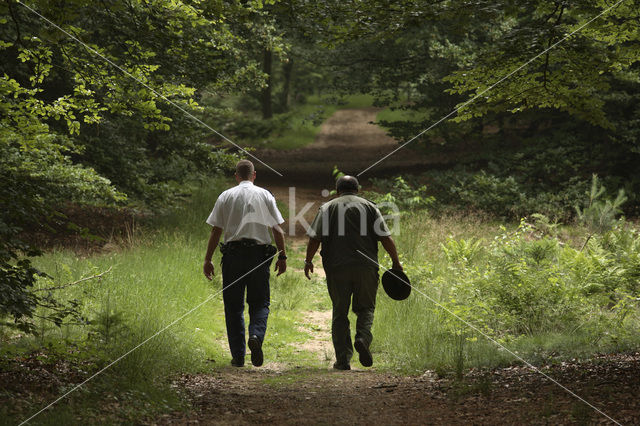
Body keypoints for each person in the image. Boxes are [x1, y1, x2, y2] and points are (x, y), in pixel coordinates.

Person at [304, 175, 402, 370]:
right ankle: (363, 338)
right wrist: (396, 263)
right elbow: (386, 238)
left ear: (337, 190)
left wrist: (308, 260)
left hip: (337, 267)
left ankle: (343, 360)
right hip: (366, 267)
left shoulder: (328, 208)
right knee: (366, 308)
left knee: (340, 312)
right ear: (357, 189)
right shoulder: (370, 207)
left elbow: (315, 238)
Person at [203, 160, 287, 367]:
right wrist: (283, 256)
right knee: (260, 302)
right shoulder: (265, 195)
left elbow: (216, 230)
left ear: (236, 176)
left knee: (233, 306)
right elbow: (277, 229)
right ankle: (256, 336)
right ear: (254, 175)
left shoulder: (226, 196)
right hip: (259, 256)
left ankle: (238, 356)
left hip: (233, 256)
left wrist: (208, 259)